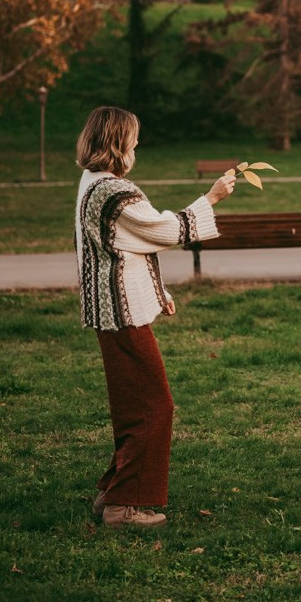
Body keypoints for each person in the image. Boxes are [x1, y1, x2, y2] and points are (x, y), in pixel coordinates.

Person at [75, 106, 235, 528]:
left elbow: (125, 245)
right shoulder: (113, 191)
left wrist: (157, 290)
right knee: (153, 407)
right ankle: (124, 506)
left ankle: (112, 494)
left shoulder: (93, 182)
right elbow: (160, 231)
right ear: (117, 144)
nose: (136, 147)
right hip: (121, 313)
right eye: (133, 141)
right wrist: (211, 198)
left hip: (113, 310)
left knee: (134, 406)